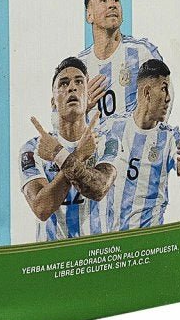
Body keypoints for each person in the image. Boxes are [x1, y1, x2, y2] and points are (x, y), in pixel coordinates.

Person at [19, 57, 121, 240]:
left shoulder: (108, 140)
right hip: (53, 254)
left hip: (97, 251)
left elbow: (99, 188)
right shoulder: (33, 148)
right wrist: (79, 154)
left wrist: (58, 154)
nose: (72, 87)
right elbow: (42, 208)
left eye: (79, 82)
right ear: (53, 102)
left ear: (88, 97)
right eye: (63, 83)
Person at [105, 59, 180, 230]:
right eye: (164, 89)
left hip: (151, 236)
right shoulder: (114, 127)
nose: (168, 98)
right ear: (147, 92)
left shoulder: (170, 136)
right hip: (115, 237)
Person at [78, 0, 164, 120]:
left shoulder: (142, 53)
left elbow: (163, 100)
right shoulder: (79, 67)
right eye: (103, 0)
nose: (112, 4)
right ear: (89, 14)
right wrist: (79, 109)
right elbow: (60, 121)